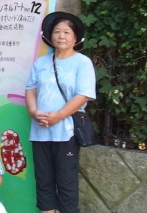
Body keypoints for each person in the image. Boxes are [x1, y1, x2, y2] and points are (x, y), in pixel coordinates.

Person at [25, 11, 96, 213]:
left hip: (66, 131)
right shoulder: (41, 63)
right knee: (44, 182)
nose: (61, 36)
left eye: (66, 32)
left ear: (75, 38)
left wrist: (59, 115)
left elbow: (83, 95)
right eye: (57, 32)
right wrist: (33, 111)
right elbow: (30, 89)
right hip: (40, 132)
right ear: (50, 36)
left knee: (66, 183)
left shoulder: (82, 63)